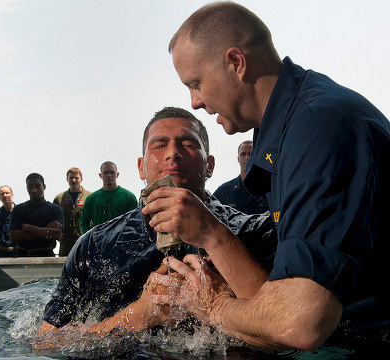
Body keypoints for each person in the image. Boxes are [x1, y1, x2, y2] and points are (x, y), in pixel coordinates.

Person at [146, 1, 390, 351]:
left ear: (235, 63)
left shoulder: (319, 130)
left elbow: (300, 323)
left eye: (196, 83)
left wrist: (213, 305)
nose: (195, 101)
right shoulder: (292, 125)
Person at [38, 106, 276, 335]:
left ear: (209, 165)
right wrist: (140, 314)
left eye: (189, 144)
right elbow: (47, 340)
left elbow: (288, 321)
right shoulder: (94, 247)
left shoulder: (253, 232)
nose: (172, 153)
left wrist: (222, 301)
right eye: (160, 145)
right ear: (141, 168)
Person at [9, 173, 64, 257]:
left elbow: (57, 234)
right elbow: (14, 237)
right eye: (30, 187)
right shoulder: (18, 209)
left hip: (47, 255)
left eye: (37, 186)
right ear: (27, 188)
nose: (34, 190)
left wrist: (29, 228)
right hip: (23, 256)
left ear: (44, 187)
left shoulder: (55, 209)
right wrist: (46, 230)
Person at [79, 161, 137, 234]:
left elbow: (136, 222)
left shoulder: (129, 197)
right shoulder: (91, 199)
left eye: (112, 172)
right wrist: (90, 241)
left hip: (122, 242)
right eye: (105, 172)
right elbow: (84, 224)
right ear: (100, 175)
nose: (109, 175)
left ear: (117, 174)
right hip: (99, 243)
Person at [213, 140, 269, 214]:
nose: (247, 157)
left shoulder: (269, 190)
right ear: (238, 159)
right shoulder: (224, 192)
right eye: (243, 154)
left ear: (257, 157)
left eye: (250, 154)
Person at [53, 168, 91, 257]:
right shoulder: (59, 198)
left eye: (76, 178)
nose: (74, 180)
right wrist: (57, 235)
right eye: (71, 178)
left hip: (85, 241)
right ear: (67, 179)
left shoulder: (89, 197)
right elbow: (54, 220)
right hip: (66, 243)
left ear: (81, 179)